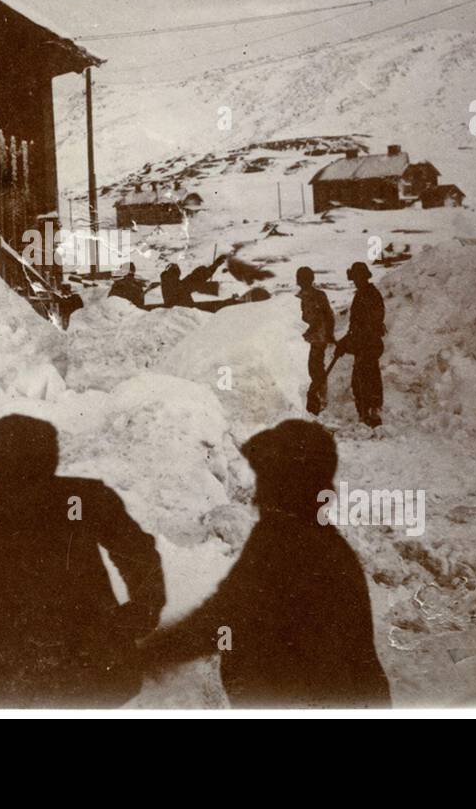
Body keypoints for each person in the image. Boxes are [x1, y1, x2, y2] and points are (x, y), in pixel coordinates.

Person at [139, 420, 390, 708]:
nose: (259, 491)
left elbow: (223, 616)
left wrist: (145, 656)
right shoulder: (320, 540)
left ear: (286, 484)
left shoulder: (287, 544)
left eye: (266, 477)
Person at [0, 414, 166, 708]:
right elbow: (138, 553)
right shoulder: (84, 497)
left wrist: (141, 612)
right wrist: (143, 610)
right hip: (85, 669)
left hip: (17, 675)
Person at [338, 261, 386, 427]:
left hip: (369, 344)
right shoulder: (361, 294)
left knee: (367, 378)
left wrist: (351, 341)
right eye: (354, 278)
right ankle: (365, 413)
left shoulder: (371, 294)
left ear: (364, 277)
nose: (356, 281)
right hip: (363, 344)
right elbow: (355, 325)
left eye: (358, 278)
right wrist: (346, 341)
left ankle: (371, 414)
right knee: (362, 379)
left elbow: (371, 323)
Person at [295, 266, 336, 416]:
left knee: (314, 370)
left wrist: (329, 334)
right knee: (312, 370)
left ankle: (316, 401)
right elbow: (329, 316)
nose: (301, 281)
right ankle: (313, 401)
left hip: (314, 339)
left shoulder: (315, 296)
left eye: (303, 278)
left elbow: (328, 316)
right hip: (309, 340)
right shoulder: (300, 297)